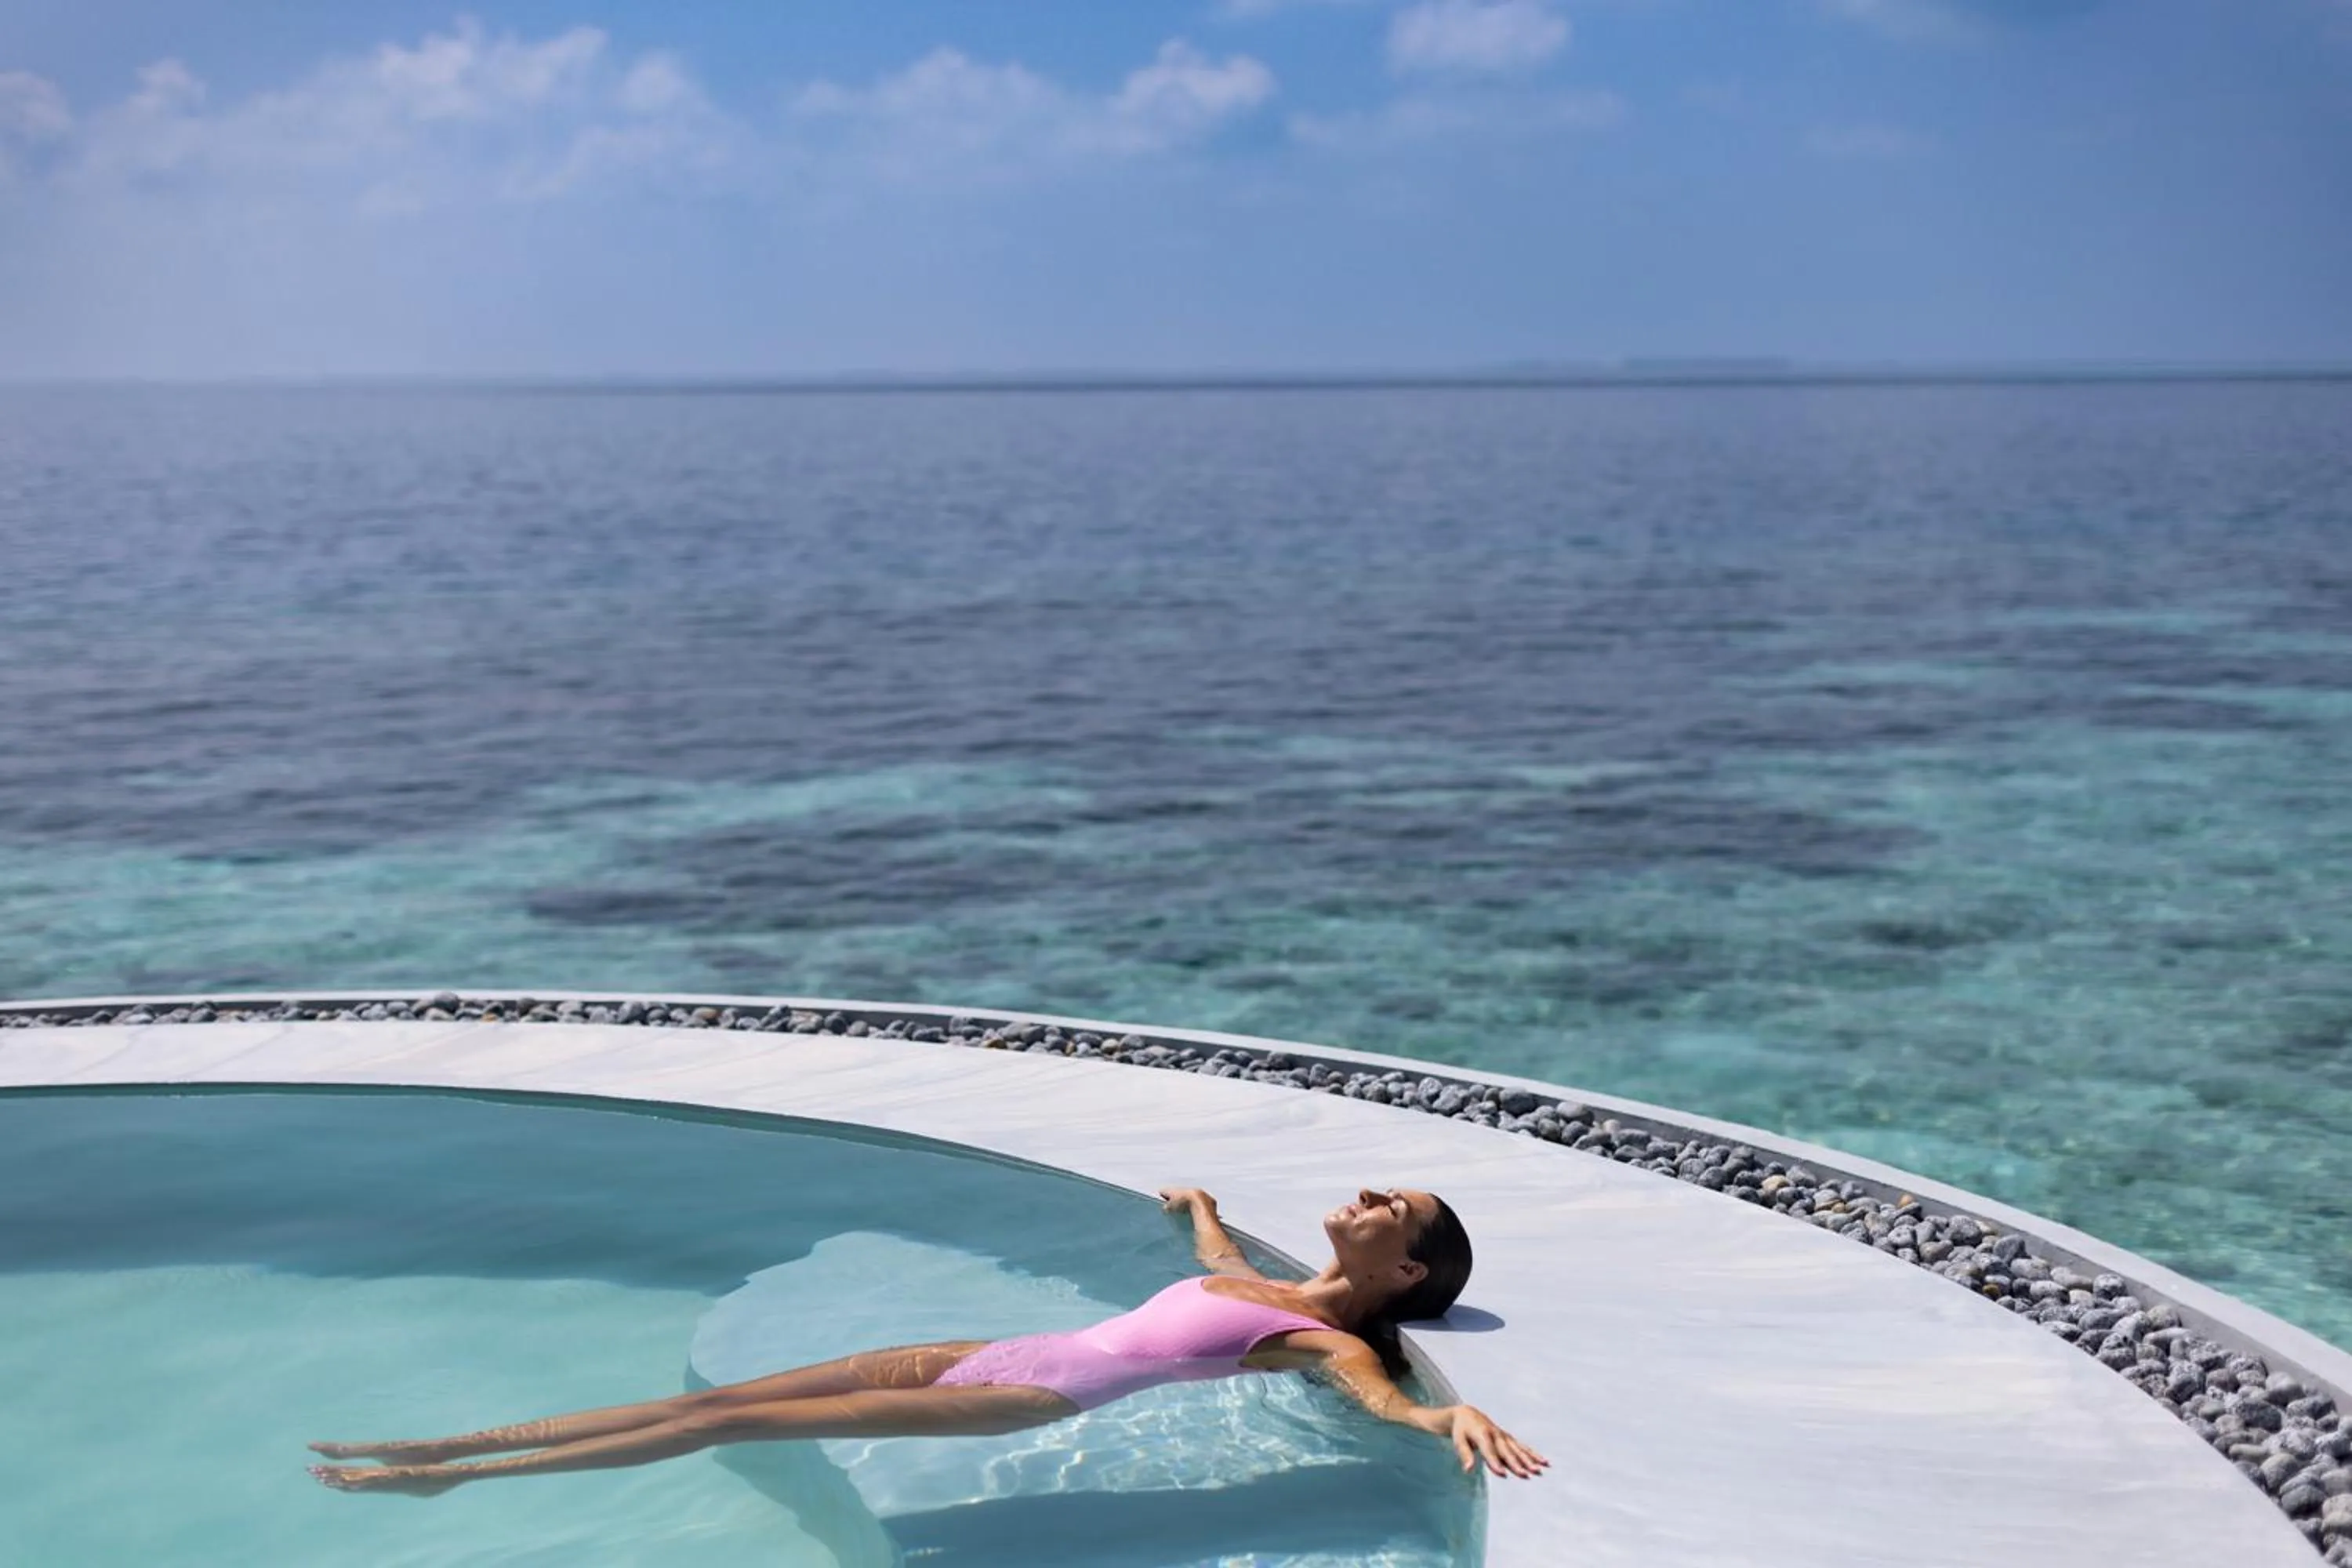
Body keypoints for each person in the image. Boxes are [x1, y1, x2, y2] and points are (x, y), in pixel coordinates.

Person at [309, 1184, 1548, 1494]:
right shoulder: (1270, 1282)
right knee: (713, 1399)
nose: (1369, 1195)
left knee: (722, 1423)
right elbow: (1216, 1262)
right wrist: (1202, 1208)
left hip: (1036, 1396)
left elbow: (1389, 1404)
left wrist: (1450, 1414)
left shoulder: (1326, 1343)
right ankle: (448, 1448)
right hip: (1003, 1343)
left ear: (1405, 1272)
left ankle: (455, 1470)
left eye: (1395, 1209)